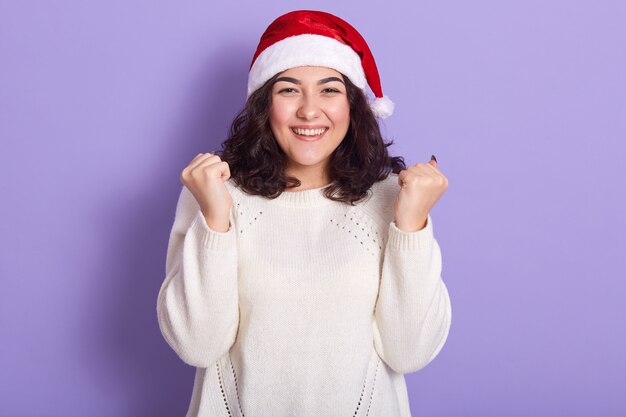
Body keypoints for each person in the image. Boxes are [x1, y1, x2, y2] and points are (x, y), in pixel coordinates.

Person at [157, 9, 451, 417]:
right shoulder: (214, 195)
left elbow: (409, 353)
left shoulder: (393, 199)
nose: (310, 111)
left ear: (353, 105)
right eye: (289, 90)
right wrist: (215, 221)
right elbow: (197, 344)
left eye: (329, 90)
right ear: (265, 104)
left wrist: (412, 226)